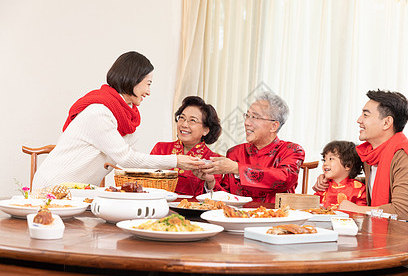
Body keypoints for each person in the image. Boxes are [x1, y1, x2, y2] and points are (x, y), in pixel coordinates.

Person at [33, 51, 203, 189]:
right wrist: (177, 160)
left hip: (75, 192)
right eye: (148, 84)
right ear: (133, 80)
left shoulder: (125, 118)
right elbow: (127, 158)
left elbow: (133, 161)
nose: (149, 92)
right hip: (52, 188)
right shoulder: (99, 113)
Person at [313, 90, 408, 229]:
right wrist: (336, 180)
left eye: (366, 115)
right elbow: (375, 182)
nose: (359, 120)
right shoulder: (371, 154)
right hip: (390, 231)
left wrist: (354, 208)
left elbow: (401, 212)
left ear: (386, 122)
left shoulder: (405, 155)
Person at [194, 91, 305, 203]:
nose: (247, 122)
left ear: (273, 126)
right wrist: (211, 181)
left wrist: (236, 168)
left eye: (255, 117)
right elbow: (225, 196)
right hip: (237, 217)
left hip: (274, 217)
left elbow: (283, 179)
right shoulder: (235, 152)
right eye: (247, 116)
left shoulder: (292, 150)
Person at [150, 96, 223, 197]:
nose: (184, 124)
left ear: (206, 130)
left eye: (192, 120)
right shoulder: (160, 149)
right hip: (159, 208)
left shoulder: (214, 160)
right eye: (182, 118)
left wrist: (210, 182)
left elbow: (219, 199)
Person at [314, 140, 366, 209]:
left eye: (331, 159)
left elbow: (361, 214)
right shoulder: (323, 186)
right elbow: (313, 207)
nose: (325, 163)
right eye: (324, 160)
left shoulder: (359, 189)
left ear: (348, 165)